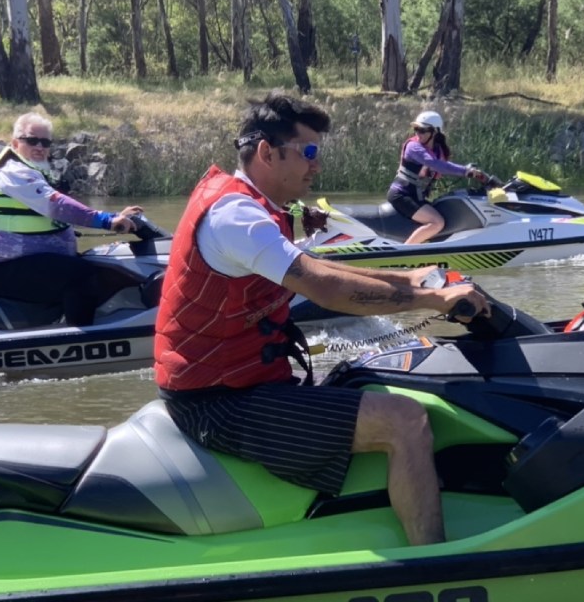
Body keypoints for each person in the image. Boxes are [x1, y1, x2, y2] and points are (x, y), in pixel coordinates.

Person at [153, 93, 491, 546]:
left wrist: (413, 275)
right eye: (308, 152)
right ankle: (434, 565)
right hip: (218, 403)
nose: (316, 165)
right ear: (267, 153)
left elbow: (327, 270)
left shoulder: (257, 205)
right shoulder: (236, 217)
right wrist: (433, 301)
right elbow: (325, 288)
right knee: (405, 420)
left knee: (378, 373)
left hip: (242, 382)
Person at [0, 112, 143, 326]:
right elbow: (56, 205)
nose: (39, 147)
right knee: (81, 276)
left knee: (105, 267)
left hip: (23, 262)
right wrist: (108, 220)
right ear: (16, 143)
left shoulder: (34, 172)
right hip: (2, 268)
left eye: (45, 142)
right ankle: (81, 341)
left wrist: (121, 217)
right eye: (32, 140)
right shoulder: (13, 171)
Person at [387, 110, 490, 245]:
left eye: (422, 130)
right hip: (401, 194)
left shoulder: (437, 150)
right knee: (437, 222)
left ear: (434, 132)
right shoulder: (414, 147)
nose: (418, 133)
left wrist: (475, 174)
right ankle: (404, 253)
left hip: (416, 196)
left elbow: (444, 166)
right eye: (416, 129)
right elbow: (436, 165)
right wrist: (466, 172)